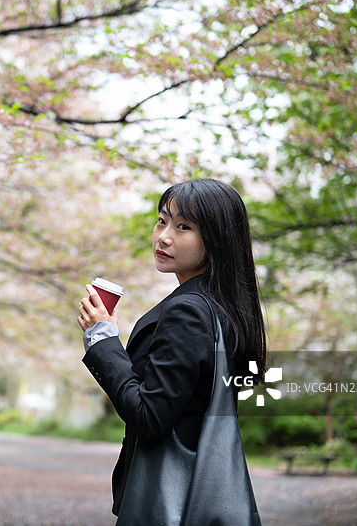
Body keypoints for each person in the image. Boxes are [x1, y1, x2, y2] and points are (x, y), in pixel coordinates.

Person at [77, 178, 266, 521]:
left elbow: (150, 417)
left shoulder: (189, 311)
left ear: (216, 239)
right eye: (162, 220)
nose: (164, 236)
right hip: (200, 488)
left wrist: (102, 340)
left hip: (172, 499)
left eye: (184, 227)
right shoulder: (223, 306)